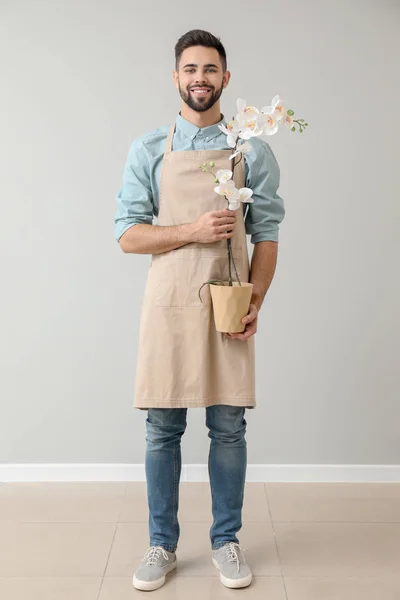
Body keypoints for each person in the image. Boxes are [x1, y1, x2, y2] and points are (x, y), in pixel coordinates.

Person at [114, 29, 285, 592]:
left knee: (228, 424)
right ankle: (161, 545)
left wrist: (255, 298)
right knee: (162, 427)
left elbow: (268, 235)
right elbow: (129, 236)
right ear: (176, 78)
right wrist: (192, 229)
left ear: (226, 79)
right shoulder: (147, 150)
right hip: (168, 303)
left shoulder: (251, 150)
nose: (200, 79)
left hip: (226, 298)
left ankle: (226, 541)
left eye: (211, 70)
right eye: (191, 69)